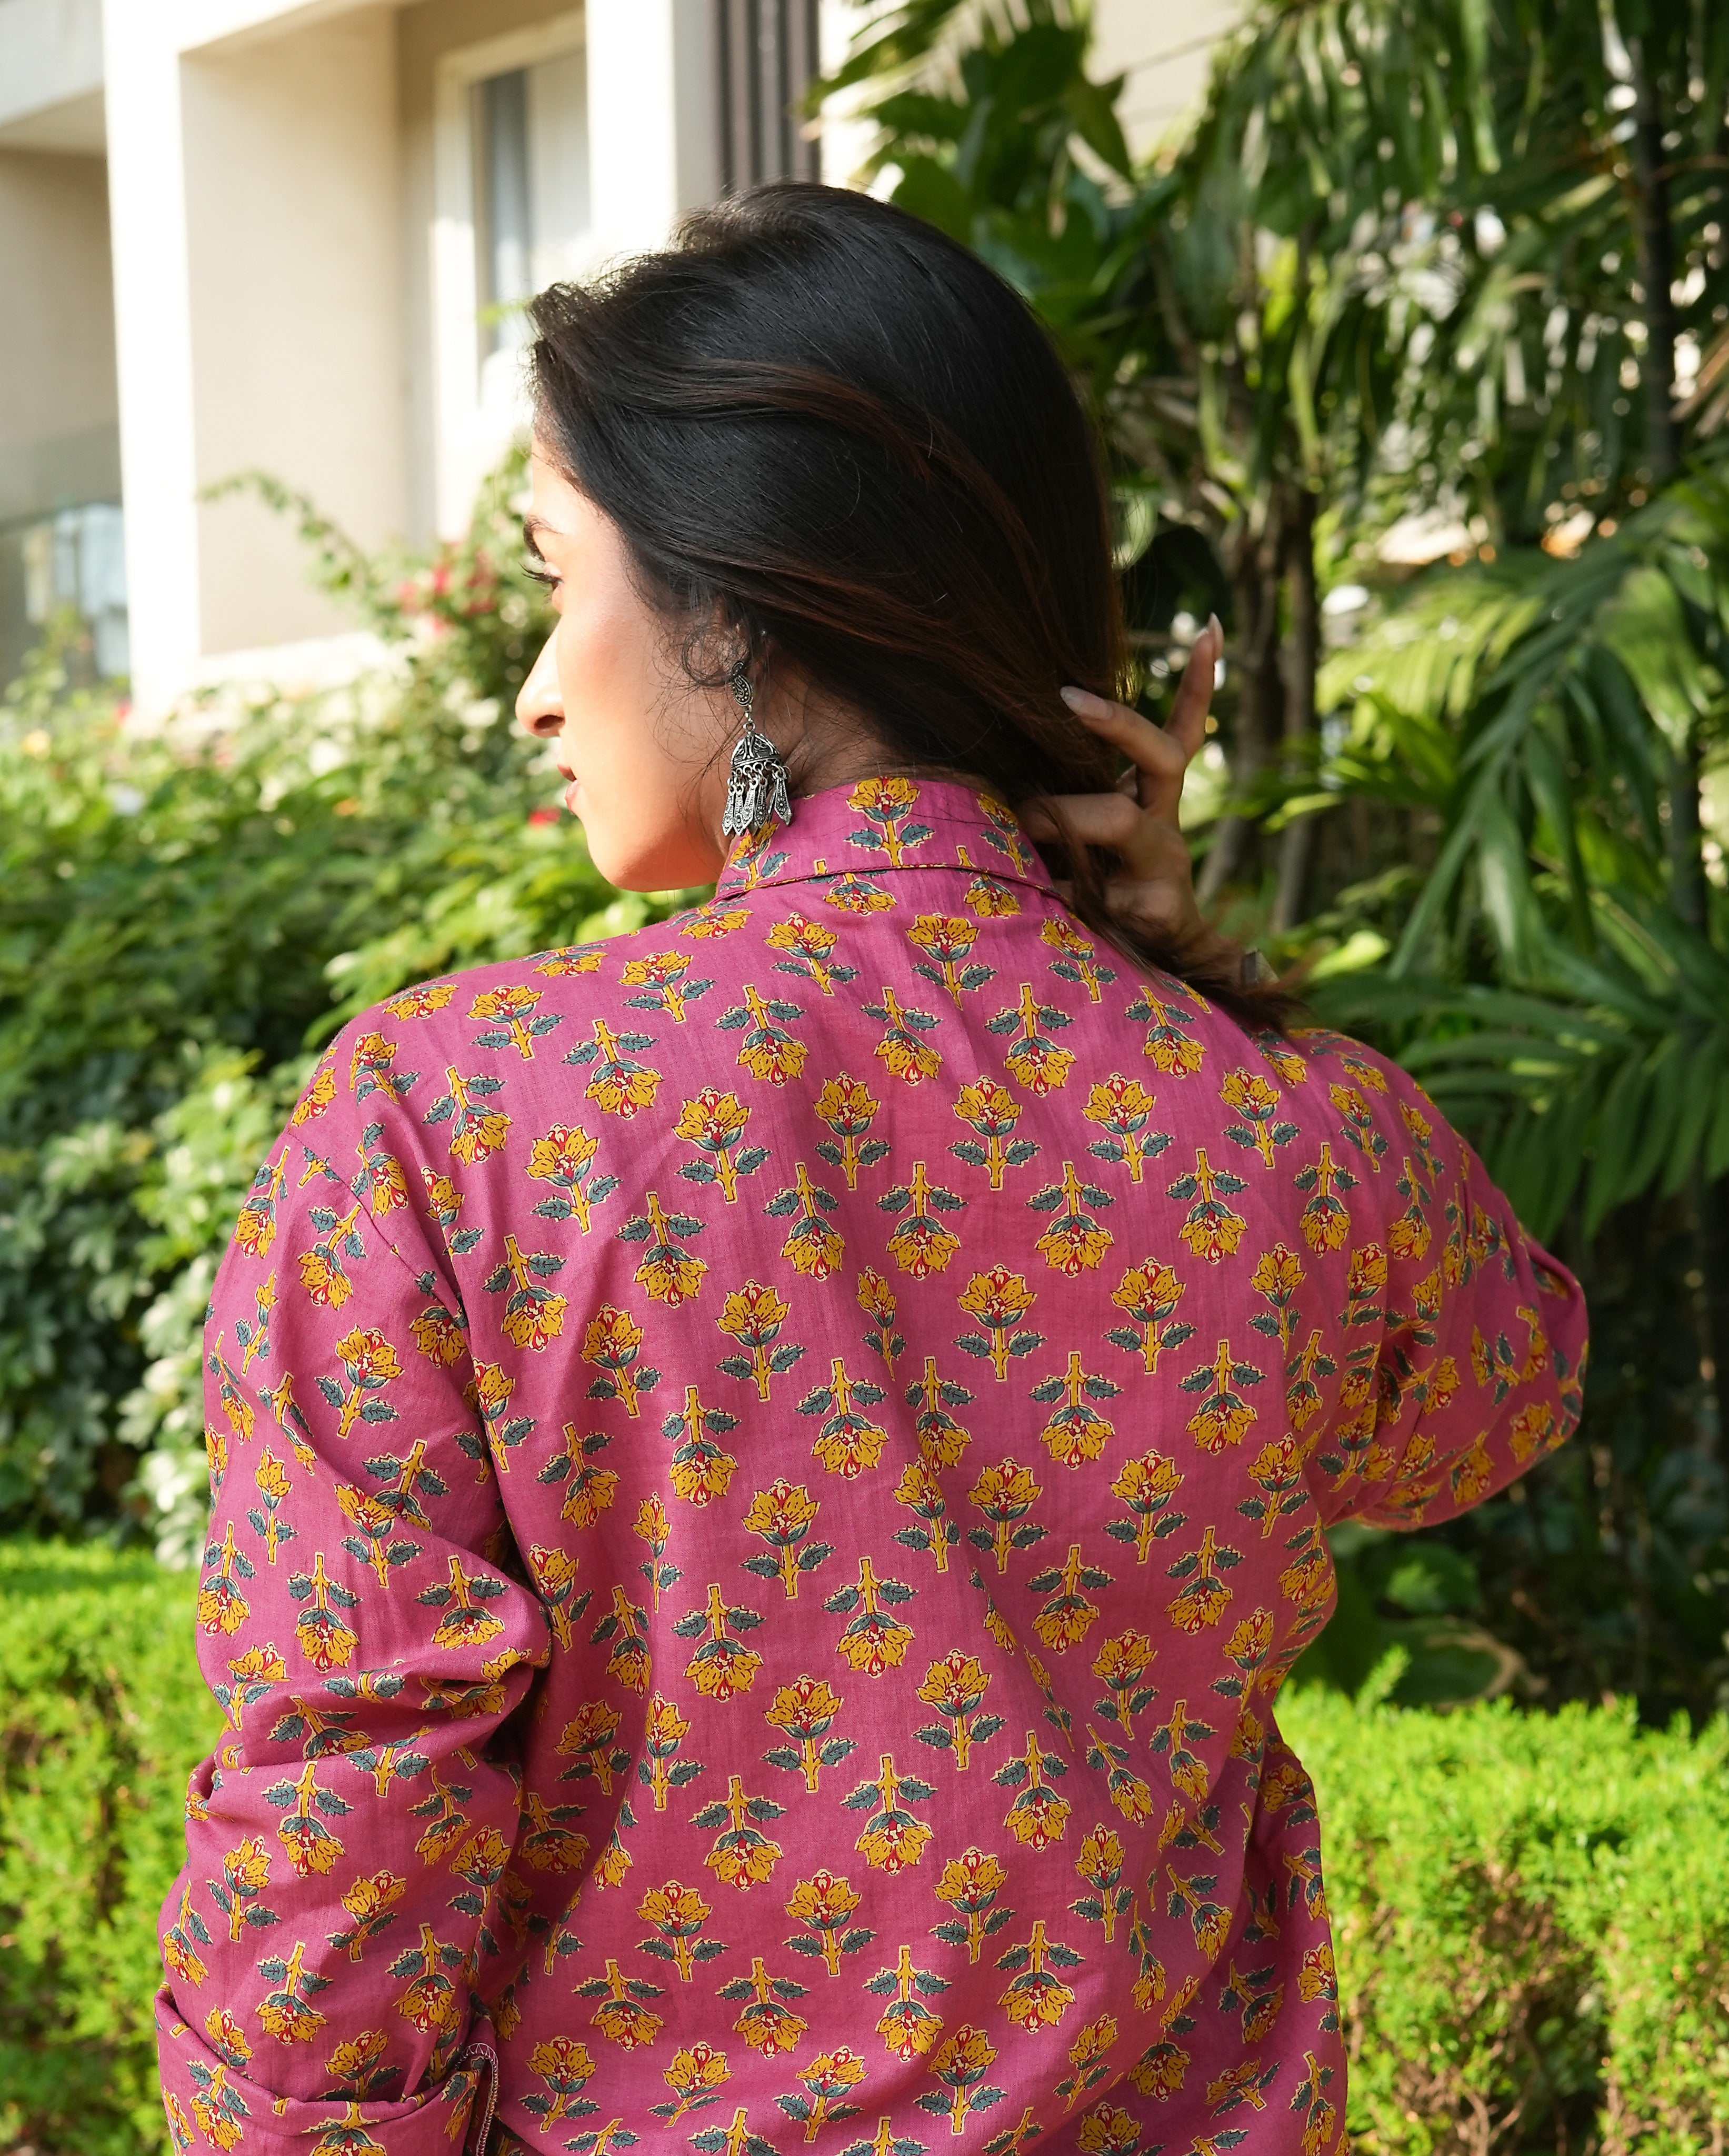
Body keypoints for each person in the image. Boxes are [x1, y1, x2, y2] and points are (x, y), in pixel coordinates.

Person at [157, 185, 1586, 2156]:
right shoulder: (1298, 1133)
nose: (534, 688)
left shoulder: (454, 1123)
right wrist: (1185, 976)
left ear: (738, 613)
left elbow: (348, 1793)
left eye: (562, 583)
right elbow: (1490, 1401)